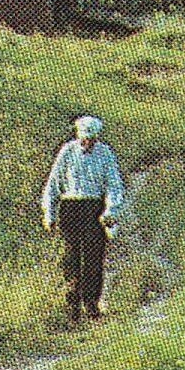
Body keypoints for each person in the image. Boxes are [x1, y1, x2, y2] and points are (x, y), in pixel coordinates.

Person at [40, 113, 126, 322]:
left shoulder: (105, 154)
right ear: (78, 136)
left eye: (91, 139)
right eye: (84, 139)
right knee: (71, 258)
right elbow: (53, 184)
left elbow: (114, 185)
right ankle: (72, 306)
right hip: (70, 206)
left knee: (93, 257)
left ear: (97, 137)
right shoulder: (67, 152)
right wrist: (49, 213)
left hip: (93, 207)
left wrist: (110, 211)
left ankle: (91, 303)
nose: (87, 143)